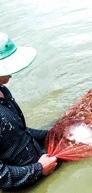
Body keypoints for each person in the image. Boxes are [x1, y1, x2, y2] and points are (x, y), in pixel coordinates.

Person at [0, 32, 57, 191]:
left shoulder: (3, 91)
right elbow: (2, 176)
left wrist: (51, 134)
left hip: (40, 166)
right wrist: (38, 169)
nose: (11, 73)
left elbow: (19, 132)